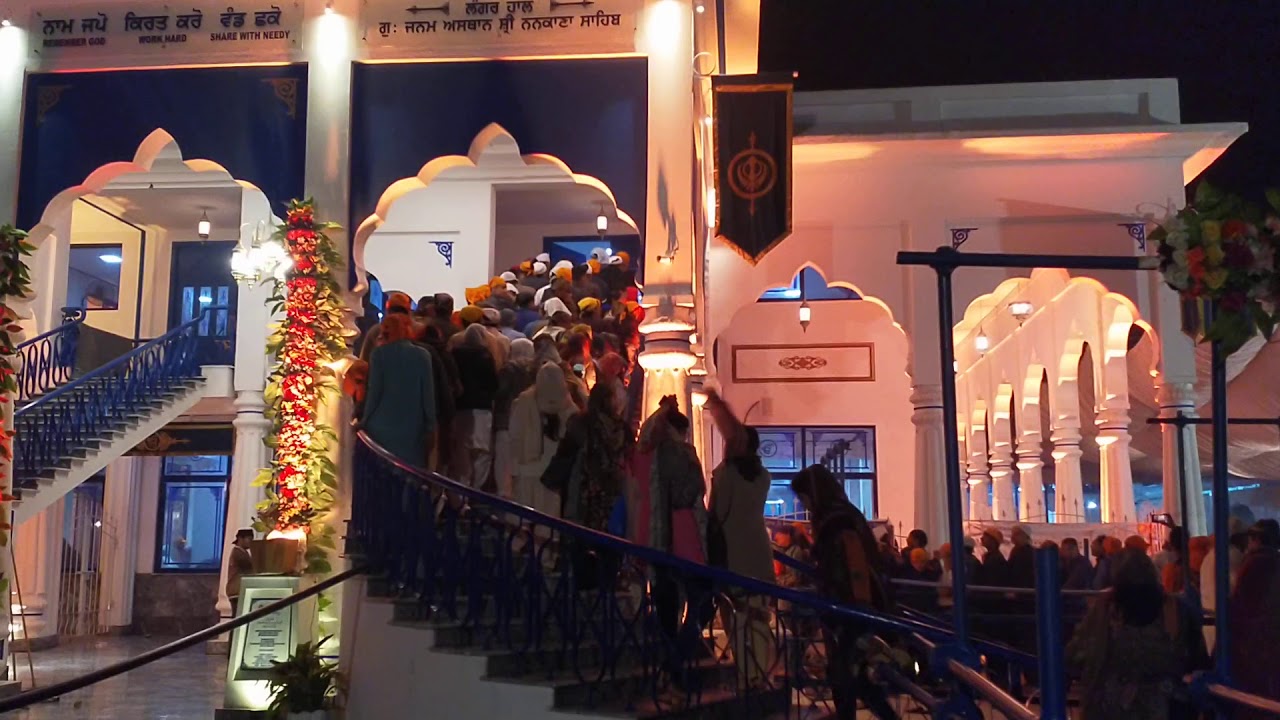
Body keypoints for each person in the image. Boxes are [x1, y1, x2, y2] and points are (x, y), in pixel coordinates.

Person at [791, 464, 898, 720]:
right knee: (856, 676)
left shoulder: (836, 520)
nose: (804, 504)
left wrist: (856, 605)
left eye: (804, 497)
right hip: (848, 605)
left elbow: (853, 562)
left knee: (846, 673)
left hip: (849, 607)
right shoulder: (844, 515)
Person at [1067, 548, 1208, 720]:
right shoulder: (1176, 609)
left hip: (1109, 707)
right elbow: (1197, 659)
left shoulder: (1105, 609)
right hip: (1165, 705)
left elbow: (1077, 654)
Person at [703, 388, 775, 690]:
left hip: (734, 552)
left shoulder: (727, 475)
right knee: (757, 615)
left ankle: (747, 671)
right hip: (759, 551)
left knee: (737, 614)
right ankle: (760, 671)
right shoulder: (763, 475)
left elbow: (716, 514)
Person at [640, 398, 712, 691]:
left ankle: (672, 665)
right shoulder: (682, 454)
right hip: (686, 534)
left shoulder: (656, 454)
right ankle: (676, 662)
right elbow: (689, 492)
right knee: (699, 601)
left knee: (670, 606)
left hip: (664, 536)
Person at [361, 313, 437, 466]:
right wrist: (431, 424)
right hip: (412, 429)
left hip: (379, 428)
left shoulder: (379, 355)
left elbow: (374, 391)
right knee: (409, 476)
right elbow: (427, 394)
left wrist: (364, 420)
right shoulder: (422, 355)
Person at [510, 362, 578, 521]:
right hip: (551, 476)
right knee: (547, 526)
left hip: (527, 471)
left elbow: (514, 437)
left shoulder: (523, 402)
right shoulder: (569, 407)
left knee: (522, 523)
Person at [1228, 519, 1280, 718]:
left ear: (1256, 540)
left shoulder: (1253, 565)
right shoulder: (1273, 562)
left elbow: (1239, 606)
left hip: (1254, 648)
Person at [451, 323, 498, 487]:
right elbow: (492, 382)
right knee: (482, 451)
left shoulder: (455, 353)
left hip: (460, 407)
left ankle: (461, 487)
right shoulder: (485, 355)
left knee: (461, 450)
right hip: (482, 408)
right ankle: (476, 489)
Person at [492, 338, 537, 498]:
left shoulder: (508, 369)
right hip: (527, 423)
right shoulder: (535, 370)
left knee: (503, 463)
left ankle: (504, 498)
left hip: (506, 421)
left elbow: (500, 394)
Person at [226, 529, 255, 616]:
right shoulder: (238, 553)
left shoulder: (243, 552)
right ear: (240, 539)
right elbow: (250, 567)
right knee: (238, 617)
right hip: (236, 590)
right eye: (249, 539)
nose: (250, 542)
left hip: (237, 590)